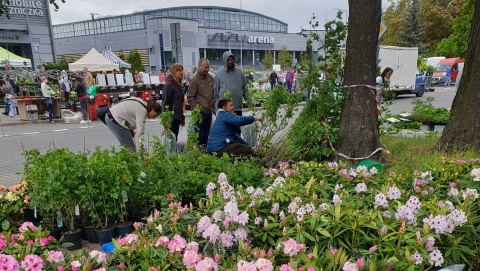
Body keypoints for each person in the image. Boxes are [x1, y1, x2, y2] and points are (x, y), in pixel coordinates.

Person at [214, 51, 249, 135]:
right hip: (224, 110)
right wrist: (216, 109)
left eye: (232, 59)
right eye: (228, 60)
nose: (230, 61)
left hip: (237, 108)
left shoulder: (240, 73)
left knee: (237, 131)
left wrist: (249, 102)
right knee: (226, 131)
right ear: (225, 61)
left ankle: (237, 147)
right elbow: (215, 93)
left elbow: (245, 89)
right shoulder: (219, 74)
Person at [187, 58, 214, 148]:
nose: (207, 69)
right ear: (199, 67)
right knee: (199, 136)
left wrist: (213, 106)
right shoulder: (194, 79)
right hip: (199, 112)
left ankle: (204, 153)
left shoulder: (210, 77)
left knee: (206, 134)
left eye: (208, 68)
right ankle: (198, 154)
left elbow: (212, 93)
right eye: (205, 67)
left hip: (208, 111)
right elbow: (190, 96)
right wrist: (196, 110)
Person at [161, 63, 185, 140]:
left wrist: (182, 117)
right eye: (179, 70)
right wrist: (166, 120)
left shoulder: (179, 85)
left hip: (177, 117)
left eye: (182, 70)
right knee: (170, 141)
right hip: (171, 118)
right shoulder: (169, 85)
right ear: (174, 72)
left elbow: (179, 103)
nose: (181, 72)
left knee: (175, 140)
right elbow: (164, 103)